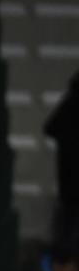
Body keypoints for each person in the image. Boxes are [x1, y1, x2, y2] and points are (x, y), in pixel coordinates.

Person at [48, 71, 79, 245]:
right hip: (71, 174)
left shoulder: (68, 105)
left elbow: (50, 128)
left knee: (67, 218)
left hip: (67, 173)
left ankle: (63, 255)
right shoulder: (72, 105)